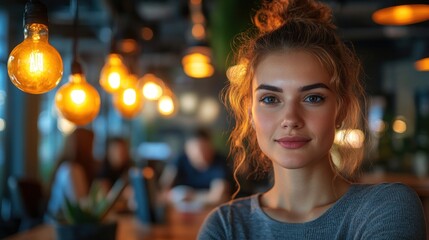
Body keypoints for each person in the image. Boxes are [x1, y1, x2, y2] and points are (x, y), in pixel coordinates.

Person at [198, 0, 426, 239]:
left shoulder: (385, 209)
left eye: (313, 98)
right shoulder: (226, 226)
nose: (290, 119)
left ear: (341, 109)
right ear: (249, 113)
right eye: (270, 99)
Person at [160, 128, 230, 212]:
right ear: (187, 149)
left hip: (209, 212)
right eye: (195, 150)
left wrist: (191, 196)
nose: (200, 154)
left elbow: (218, 197)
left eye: (203, 149)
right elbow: (163, 190)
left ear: (211, 147)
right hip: (180, 212)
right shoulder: (179, 160)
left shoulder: (220, 162)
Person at [46, 128, 97, 218]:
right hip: (58, 227)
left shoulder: (66, 167)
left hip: (59, 224)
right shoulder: (72, 170)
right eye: (92, 145)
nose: (93, 151)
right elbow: (80, 208)